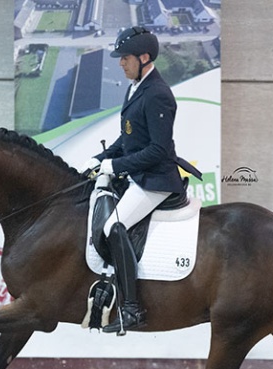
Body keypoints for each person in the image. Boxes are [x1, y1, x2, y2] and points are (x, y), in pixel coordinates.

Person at [82, 27, 189, 333]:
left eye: (125, 58)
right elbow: (128, 138)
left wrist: (115, 166)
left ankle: (132, 309)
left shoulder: (158, 94)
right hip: (140, 175)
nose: (120, 64)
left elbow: (156, 150)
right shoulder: (136, 86)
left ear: (144, 58)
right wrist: (100, 159)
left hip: (155, 180)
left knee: (115, 227)